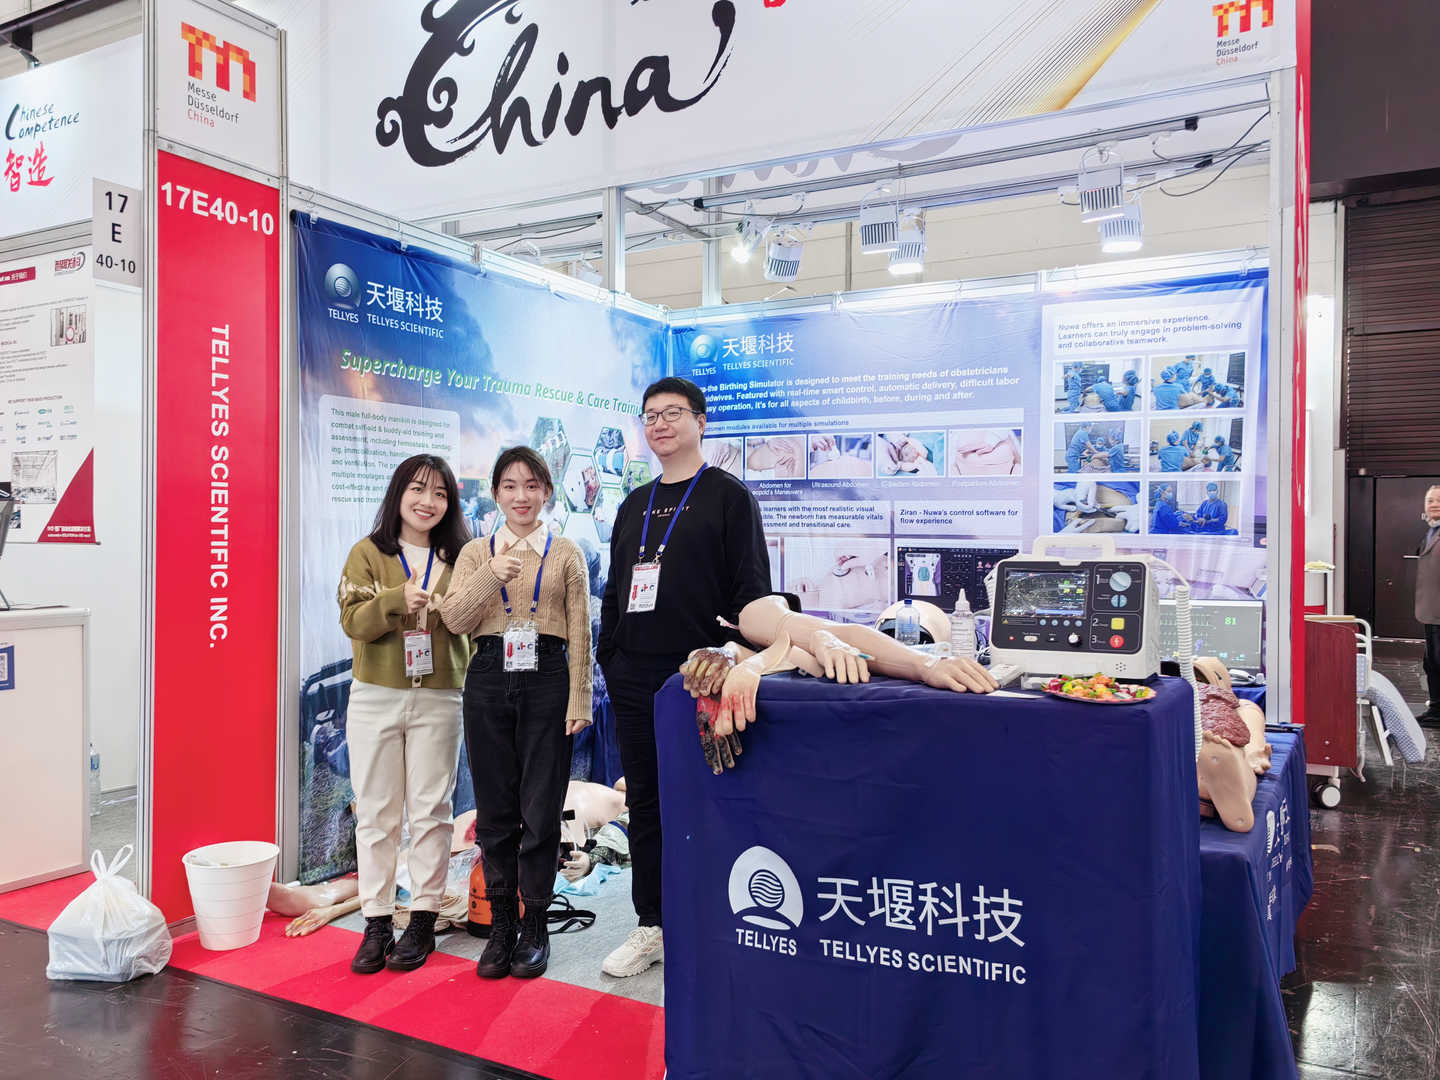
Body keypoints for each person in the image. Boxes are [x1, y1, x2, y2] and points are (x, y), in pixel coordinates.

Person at [597, 377, 771, 977]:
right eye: (650, 415)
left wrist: (733, 655)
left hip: (699, 678)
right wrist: (611, 654)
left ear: (700, 422)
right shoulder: (634, 503)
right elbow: (616, 590)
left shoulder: (728, 497)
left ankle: (719, 921)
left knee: (709, 798)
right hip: (633, 676)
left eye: (673, 412)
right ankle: (653, 924)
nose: (660, 424)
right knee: (645, 801)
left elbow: (752, 591)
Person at [441, 446, 593, 980]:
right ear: (495, 493)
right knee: (495, 808)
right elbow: (455, 618)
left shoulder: (567, 552)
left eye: (531, 485)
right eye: (510, 485)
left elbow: (581, 630)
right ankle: (502, 921)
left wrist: (580, 699)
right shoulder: (475, 552)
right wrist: (491, 574)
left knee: (541, 806)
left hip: (548, 676)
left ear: (547, 491)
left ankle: (535, 924)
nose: (521, 496)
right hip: (487, 675)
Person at [338, 454, 472, 975]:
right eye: (417, 489)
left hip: (440, 696)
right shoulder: (368, 553)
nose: (427, 501)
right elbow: (354, 621)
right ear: (398, 494)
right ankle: (376, 921)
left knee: (432, 811)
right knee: (376, 812)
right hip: (376, 694)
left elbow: (473, 620)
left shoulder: (463, 557)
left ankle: (422, 918)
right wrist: (397, 598)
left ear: (449, 503)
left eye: (439, 493)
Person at [1414, 486, 1440, 726]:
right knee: (1431, 663)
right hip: (1431, 611)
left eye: (1438, 500)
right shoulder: (1431, 531)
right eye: (1430, 500)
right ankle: (1436, 709)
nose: (1433, 504)